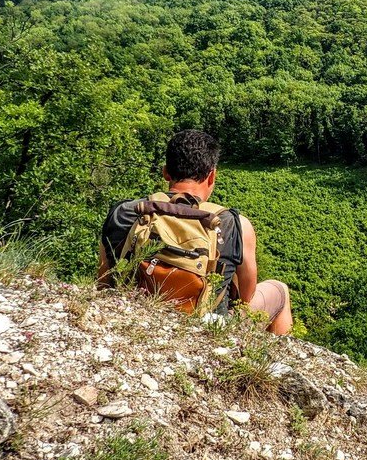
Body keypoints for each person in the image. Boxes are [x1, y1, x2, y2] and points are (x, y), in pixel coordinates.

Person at [96, 130, 293, 335]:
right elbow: (247, 297)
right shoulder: (236, 225)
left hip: (133, 314)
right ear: (212, 175)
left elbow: (104, 281)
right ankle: (276, 363)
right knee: (280, 290)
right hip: (208, 327)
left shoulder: (124, 212)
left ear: (165, 172)